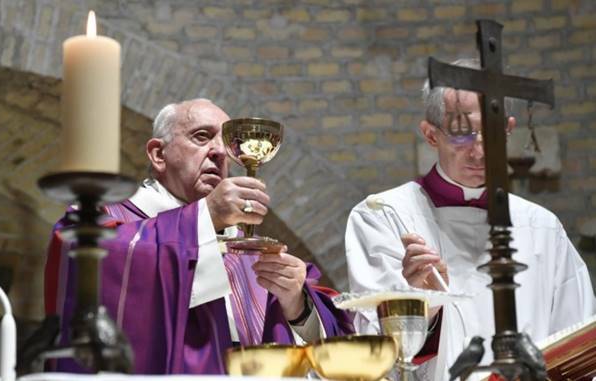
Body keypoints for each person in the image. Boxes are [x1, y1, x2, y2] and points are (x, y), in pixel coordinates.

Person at [45, 98, 353, 374]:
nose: (220, 152)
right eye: (201, 137)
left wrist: (297, 304)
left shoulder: (250, 249)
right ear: (158, 154)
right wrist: (205, 217)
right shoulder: (104, 220)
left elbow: (335, 345)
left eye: (227, 141)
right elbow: (84, 268)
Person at [345, 59, 595, 380]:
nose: (479, 152)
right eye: (462, 134)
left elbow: (579, 344)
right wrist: (421, 306)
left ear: (509, 129)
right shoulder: (383, 217)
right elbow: (372, 356)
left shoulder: (542, 226)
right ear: (431, 135)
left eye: (492, 134)